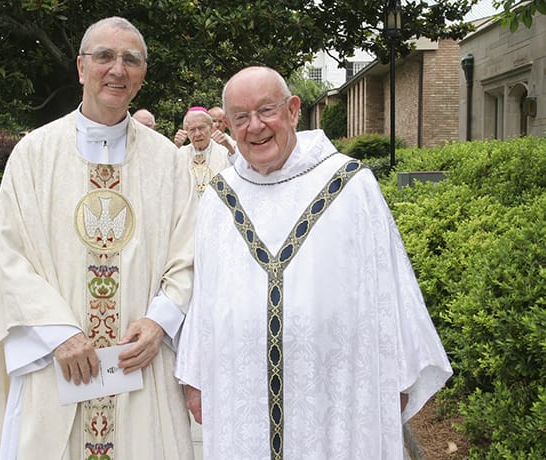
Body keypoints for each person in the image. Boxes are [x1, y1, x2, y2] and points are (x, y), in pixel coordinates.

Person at [175, 66, 453, 459]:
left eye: (266, 111)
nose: (255, 127)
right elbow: (204, 295)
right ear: (230, 126)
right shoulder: (219, 198)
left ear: (292, 111)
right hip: (242, 389)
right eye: (241, 117)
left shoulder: (351, 185)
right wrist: (197, 377)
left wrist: (396, 375)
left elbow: (388, 284)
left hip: (336, 388)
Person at [0, 17, 197, 460]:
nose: (117, 69)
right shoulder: (34, 155)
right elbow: (10, 256)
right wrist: (60, 334)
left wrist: (159, 322)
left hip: (140, 362)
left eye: (130, 60)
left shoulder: (170, 162)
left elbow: (189, 253)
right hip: (59, 360)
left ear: (142, 76)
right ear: (81, 68)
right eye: (105, 57)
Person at [178, 106, 231, 196]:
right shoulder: (180, 154)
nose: (197, 134)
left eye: (201, 128)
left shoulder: (225, 153)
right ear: (186, 131)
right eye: (192, 129)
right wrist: (175, 146)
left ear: (211, 128)